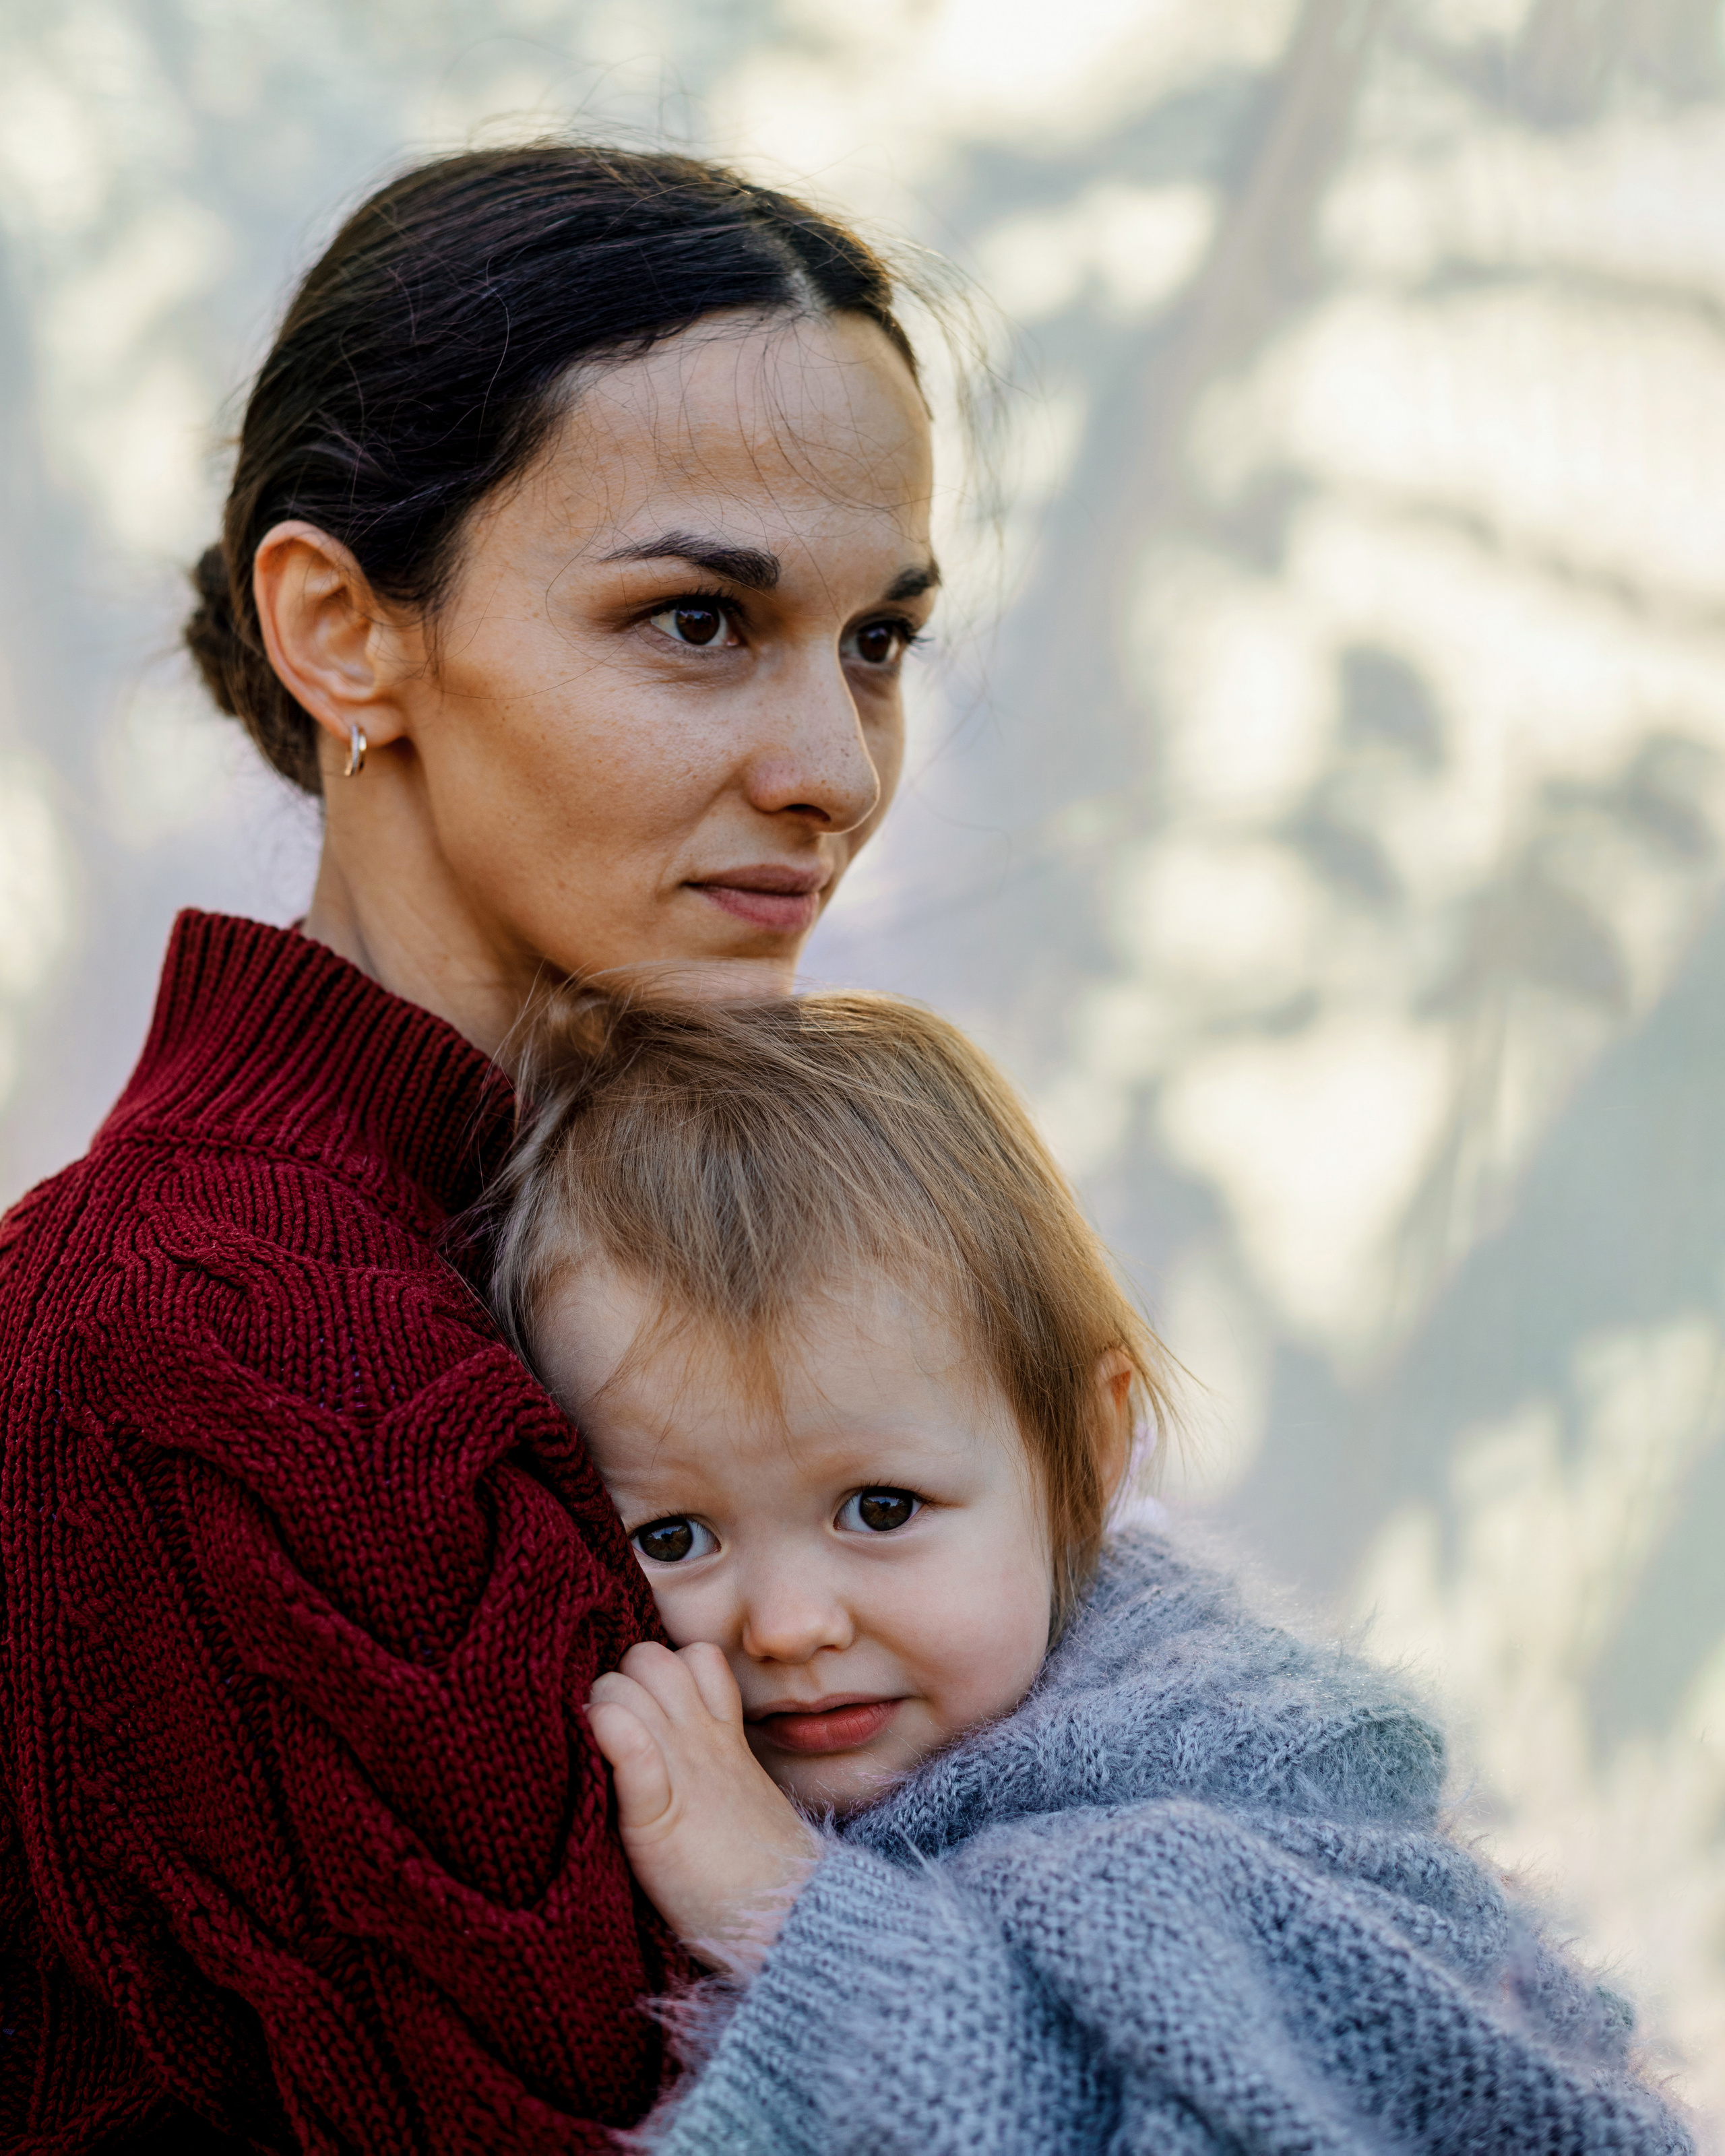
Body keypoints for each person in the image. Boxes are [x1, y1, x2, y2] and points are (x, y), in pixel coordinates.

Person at [0, 144, 939, 2149]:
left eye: (880, 642)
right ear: (344, 630)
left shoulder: (603, 1255)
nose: (834, 770)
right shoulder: (217, 1348)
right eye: (700, 620)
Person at [482, 986, 1693, 2155]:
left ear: (1088, 1448)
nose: (789, 1626)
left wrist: (790, 1915)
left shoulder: (1225, 1778)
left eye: (882, 1507)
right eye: (676, 1537)